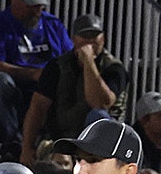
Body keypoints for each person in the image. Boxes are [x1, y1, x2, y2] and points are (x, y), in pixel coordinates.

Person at [0, 0, 72, 158]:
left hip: (48, 93)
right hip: (16, 93)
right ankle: (13, 141)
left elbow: (69, 59)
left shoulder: (53, 25)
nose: (37, 11)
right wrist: (33, 74)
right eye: (31, 5)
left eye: (40, 6)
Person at [19, 13, 128, 165]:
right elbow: (38, 107)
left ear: (103, 38)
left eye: (94, 36)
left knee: (99, 115)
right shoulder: (57, 66)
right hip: (62, 136)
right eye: (84, 36)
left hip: (101, 143)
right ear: (74, 39)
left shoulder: (114, 68)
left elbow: (100, 103)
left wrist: (88, 61)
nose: (90, 41)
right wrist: (26, 148)